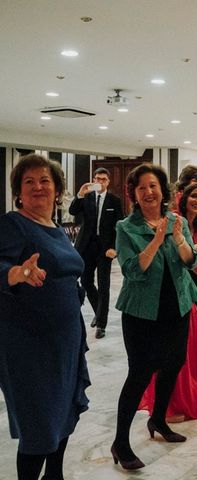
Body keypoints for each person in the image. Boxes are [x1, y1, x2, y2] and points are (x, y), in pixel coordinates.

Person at [0, 154, 90, 480]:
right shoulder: (13, 224)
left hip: (65, 339)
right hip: (28, 344)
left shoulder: (54, 227)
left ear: (57, 190)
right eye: (29, 181)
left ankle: (55, 474)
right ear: (18, 192)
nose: (38, 187)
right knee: (38, 424)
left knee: (63, 413)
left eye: (45, 181)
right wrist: (18, 273)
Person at [112, 163, 197, 470]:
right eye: (141, 188)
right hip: (141, 312)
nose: (148, 192)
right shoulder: (126, 227)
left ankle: (158, 419)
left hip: (177, 306)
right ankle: (120, 442)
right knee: (138, 374)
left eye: (153, 186)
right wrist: (155, 238)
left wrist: (176, 238)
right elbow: (133, 270)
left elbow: (190, 260)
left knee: (173, 364)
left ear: (163, 190)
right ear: (134, 194)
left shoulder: (177, 220)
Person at [139, 181, 197, 422]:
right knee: (176, 350)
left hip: (186, 292)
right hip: (167, 293)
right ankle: (167, 406)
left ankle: (184, 397)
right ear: (184, 197)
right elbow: (180, 256)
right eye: (195, 196)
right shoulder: (174, 221)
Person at [68, 167, 124, 338]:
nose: (100, 182)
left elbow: (120, 225)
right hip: (86, 246)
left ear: (108, 182)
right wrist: (79, 194)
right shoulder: (87, 197)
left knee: (104, 285)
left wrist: (114, 247)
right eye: (97, 178)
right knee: (85, 281)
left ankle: (101, 324)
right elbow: (72, 211)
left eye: (103, 179)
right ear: (93, 180)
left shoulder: (114, 201)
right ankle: (99, 312)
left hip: (105, 248)